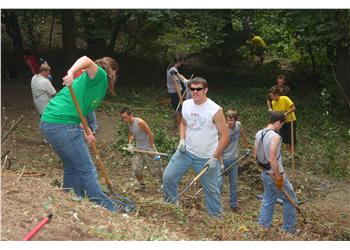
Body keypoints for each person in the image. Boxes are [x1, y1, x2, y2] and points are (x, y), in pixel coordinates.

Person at [40, 55, 118, 212]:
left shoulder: (90, 84)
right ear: (113, 72)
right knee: (87, 169)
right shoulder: (100, 76)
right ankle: (107, 208)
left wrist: (87, 131)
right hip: (61, 123)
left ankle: (72, 200)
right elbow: (86, 60)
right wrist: (70, 72)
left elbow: (81, 110)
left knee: (72, 166)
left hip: (51, 123)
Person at [162, 77, 229, 217]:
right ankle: (171, 206)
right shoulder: (186, 104)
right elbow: (183, 124)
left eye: (199, 89)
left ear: (206, 90)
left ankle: (216, 218)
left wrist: (214, 158)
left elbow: (224, 137)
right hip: (185, 152)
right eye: (192, 89)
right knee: (168, 178)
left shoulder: (215, 110)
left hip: (206, 158)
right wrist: (181, 140)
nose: (195, 92)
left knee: (211, 191)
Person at [254, 111, 298, 233]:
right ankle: (289, 230)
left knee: (268, 199)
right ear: (278, 122)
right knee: (291, 200)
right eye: (282, 124)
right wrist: (278, 177)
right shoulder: (275, 137)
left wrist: (264, 169)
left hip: (265, 173)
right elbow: (272, 159)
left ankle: (263, 226)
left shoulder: (259, 133)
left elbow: (255, 155)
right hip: (275, 175)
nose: (281, 127)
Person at [120, 107, 163, 192]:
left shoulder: (140, 122)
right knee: (136, 169)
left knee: (156, 170)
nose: (124, 120)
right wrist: (130, 144)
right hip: (138, 150)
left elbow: (150, 134)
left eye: (125, 117)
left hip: (148, 150)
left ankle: (164, 183)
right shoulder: (129, 123)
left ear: (131, 115)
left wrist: (151, 148)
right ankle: (142, 186)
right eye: (122, 118)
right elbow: (131, 134)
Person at [217, 109, 250, 212]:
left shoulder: (238, 125)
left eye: (231, 120)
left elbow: (243, 136)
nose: (229, 122)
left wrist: (246, 148)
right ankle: (216, 206)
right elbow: (219, 149)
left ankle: (234, 205)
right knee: (219, 184)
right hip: (223, 160)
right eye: (227, 120)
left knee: (234, 184)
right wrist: (221, 165)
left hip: (234, 160)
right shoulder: (223, 131)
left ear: (235, 120)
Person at [268, 86, 297, 155]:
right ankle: (289, 152)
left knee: (291, 138)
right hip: (282, 123)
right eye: (270, 96)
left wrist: (286, 113)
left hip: (291, 121)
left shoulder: (285, 98)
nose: (271, 98)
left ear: (276, 94)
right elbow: (276, 113)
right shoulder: (273, 102)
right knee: (285, 138)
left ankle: (293, 154)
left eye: (272, 96)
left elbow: (293, 108)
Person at [166, 55, 190, 128]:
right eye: (181, 62)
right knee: (178, 109)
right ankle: (178, 126)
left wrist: (186, 81)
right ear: (178, 62)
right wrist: (180, 97)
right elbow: (176, 84)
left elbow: (179, 75)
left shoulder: (172, 68)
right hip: (175, 92)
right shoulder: (172, 71)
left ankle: (177, 125)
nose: (181, 64)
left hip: (173, 92)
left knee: (176, 108)